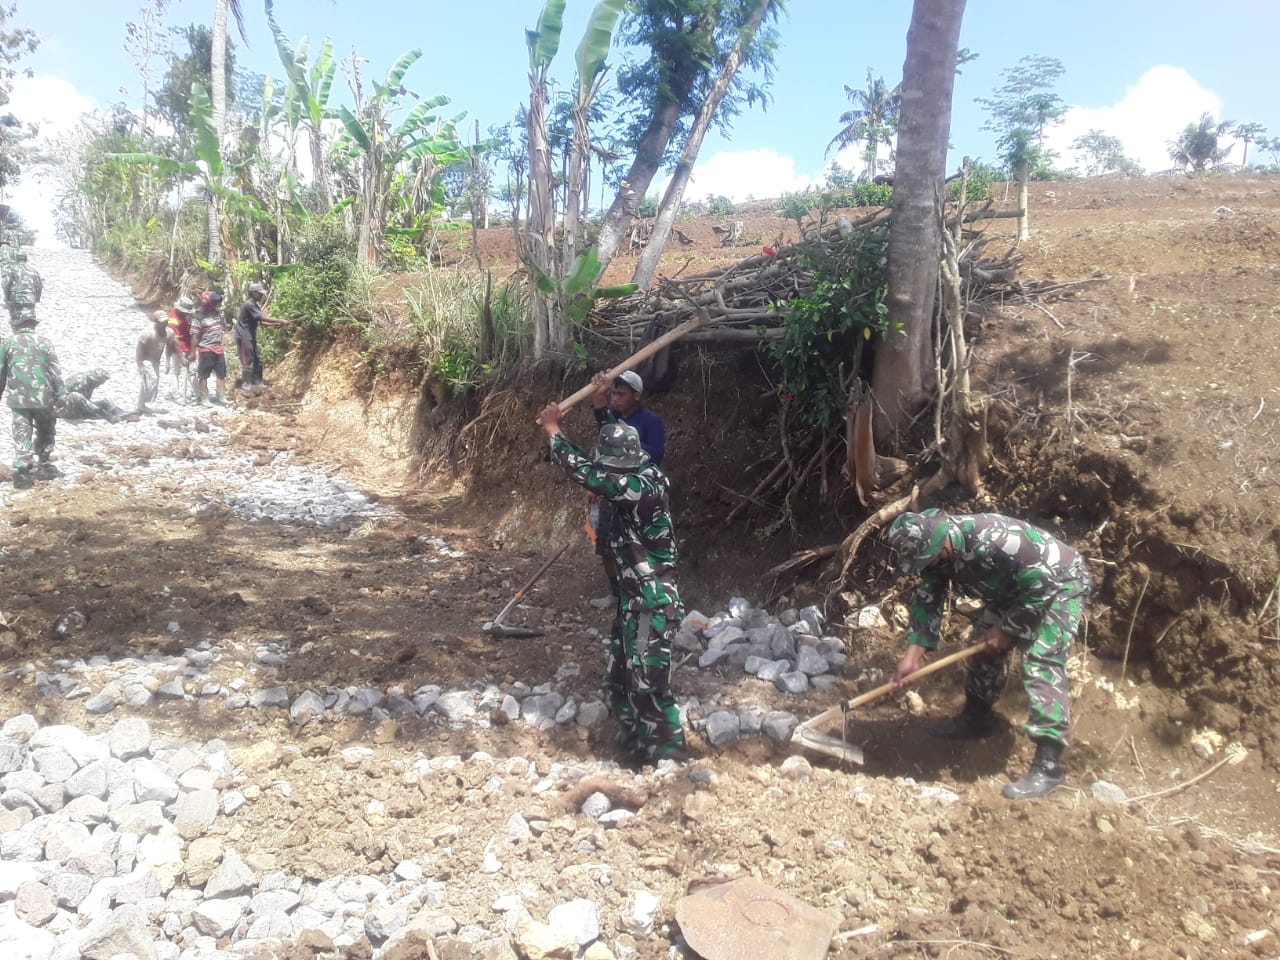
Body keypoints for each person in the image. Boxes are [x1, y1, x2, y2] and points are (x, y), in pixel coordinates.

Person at [887, 509, 1092, 800]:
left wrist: (1008, 630)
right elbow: (928, 599)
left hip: (1059, 582)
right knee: (981, 647)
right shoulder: (937, 555)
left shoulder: (992, 538)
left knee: (1041, 659)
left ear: (941, 543)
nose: (928, 564)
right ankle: (978, 719)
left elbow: (1042, 583)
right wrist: (912, 655)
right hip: (1017, 590)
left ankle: (1049, 765)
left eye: (928, 557)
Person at [537, 403, 687, 764]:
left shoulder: (637, 487)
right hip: (632, 601)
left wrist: (554, 431)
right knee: (620, 674)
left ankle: (667, 757)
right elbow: (615, 443)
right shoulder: (644, 467)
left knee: (647, 682)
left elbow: (587, 474)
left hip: (651, 603)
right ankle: (633, 742)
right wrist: (602, 407)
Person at [586, 369, 666, 609]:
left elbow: (657, 455)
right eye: (613, 394)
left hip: (637, 494)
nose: (615, 399)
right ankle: (615, 595)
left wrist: (630, 451)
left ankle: (643, 596)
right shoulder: (611, 417)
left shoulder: (649, 421)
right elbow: (604, 444)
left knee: (636, 549)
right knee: (606, 547)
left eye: (621, 394)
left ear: (637, 396)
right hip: (611, 491)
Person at [0, 309, 64, 488]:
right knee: (45, 429)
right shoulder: (45, 343)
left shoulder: (7, 343)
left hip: (19, 400)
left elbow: (1, 373)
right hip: (44, 398)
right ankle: (43, 462)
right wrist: (61, 395)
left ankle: (23, 470)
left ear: (16, 326)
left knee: (22, 431)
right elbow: (55, 372)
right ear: (33, 326)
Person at [234, 281, 289, 391]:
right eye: (259, 293)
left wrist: (276, 324)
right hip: (244, 336)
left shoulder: (254, 305)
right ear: (253, 293)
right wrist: (280, 320)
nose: (261, 295)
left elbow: (261, 322)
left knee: (257, 359)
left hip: (250, 336)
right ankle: (246, 383)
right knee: (248, 359)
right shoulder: (249, 305)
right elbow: (262, 318)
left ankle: (257, 381)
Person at [189, 291, 228, 405]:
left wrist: (225, 327)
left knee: (221, 374)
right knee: (203, 375)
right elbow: (195, 336)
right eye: (213, 303)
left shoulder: (218, 313)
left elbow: (223, 326)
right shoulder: (198, 317)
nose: (216, 305)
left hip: (218, 348)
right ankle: (204, 398)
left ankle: (222, 397)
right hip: (206, 349)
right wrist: (192, 352)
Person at [58, 368, 131, 424]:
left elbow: (86, 402)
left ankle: (120, 413)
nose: (100, 385)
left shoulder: (89, 385)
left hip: (80, 408)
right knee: (76, 396)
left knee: (105, 402)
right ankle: (107, 416)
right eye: (100, 383)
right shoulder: (77, 382)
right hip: (65, 410)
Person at [137, 311, 175, 413]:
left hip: (156, 360)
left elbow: (169, 347)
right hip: (146, 359)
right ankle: (143, 404)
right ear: (156, 322)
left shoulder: (169, 332)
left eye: (166, 322)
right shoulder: (148, 333)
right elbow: (139, 348)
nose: (164, 324)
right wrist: (140, 364)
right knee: (152, 379)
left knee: (152, 381)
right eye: (162, 322)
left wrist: (167, 362)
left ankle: (141, 405)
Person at [166, 295, 197, 402]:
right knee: (176, 371)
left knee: (192, 370)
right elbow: (175, 340)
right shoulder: (173, 320)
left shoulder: (182, 316)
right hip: (177, 349)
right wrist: (182, 356)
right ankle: (176, 394)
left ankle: (196, 393)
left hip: (187, 346)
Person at [3, 251, 43, 325]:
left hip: (16, 297)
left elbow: (6, 284)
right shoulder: (33, 270)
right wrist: (36, 298)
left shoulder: (11, 269)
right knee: (30, 318)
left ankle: (17, 331)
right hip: (30, 297)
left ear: (16, 259)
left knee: (16, 319)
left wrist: (7, 298)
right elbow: (39, 286)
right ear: (26, 259)